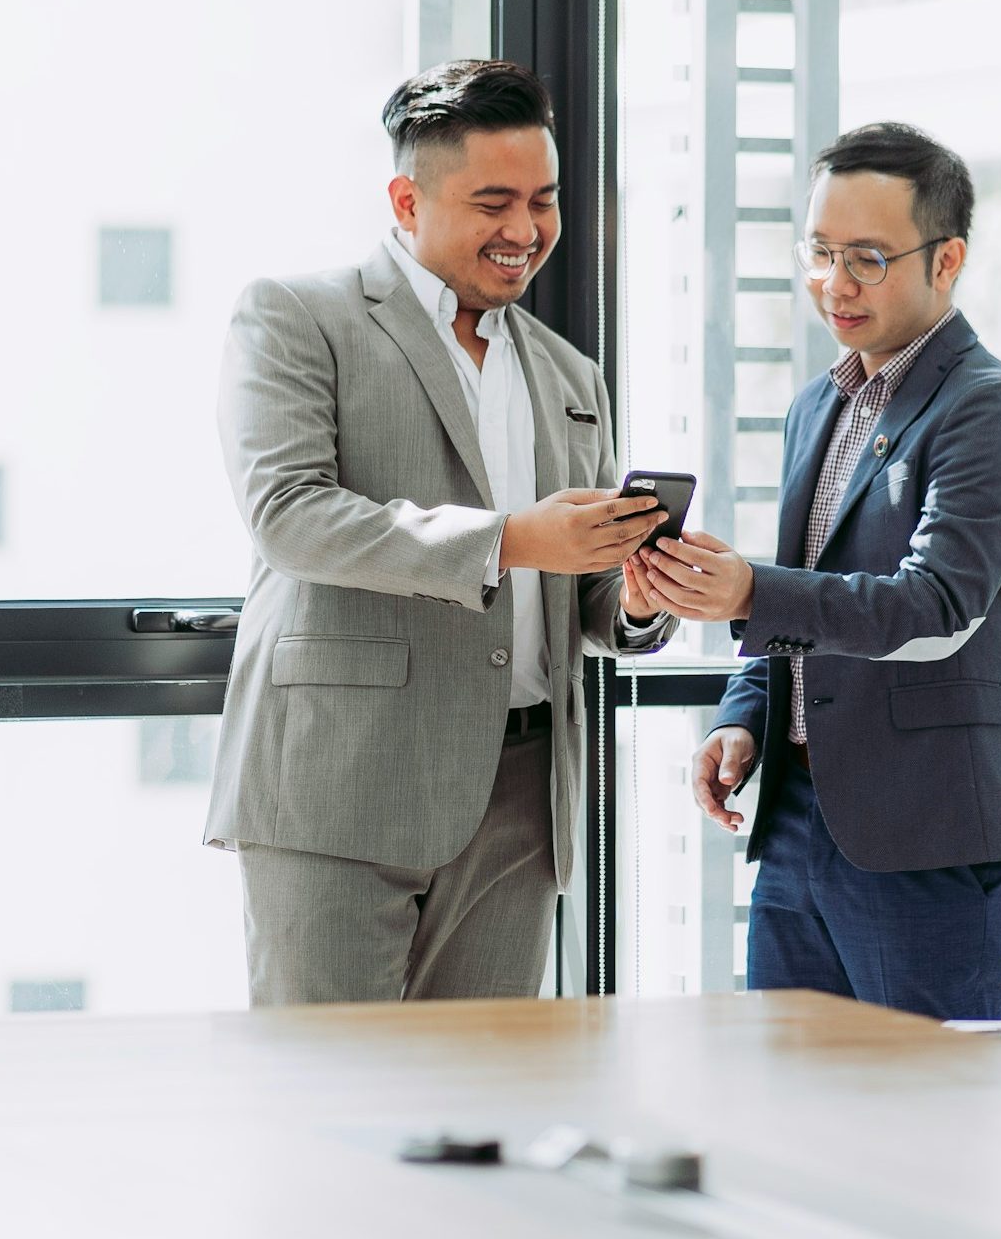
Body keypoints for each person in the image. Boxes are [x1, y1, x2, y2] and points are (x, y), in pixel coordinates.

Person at [205, 60, 676, 1006]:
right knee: (331, 1099)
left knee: (483, 1110)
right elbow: (290, 517)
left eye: (543, 201)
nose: (526, 230)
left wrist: (629, 597)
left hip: (525, 799)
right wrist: (506, 539)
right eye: (492, 201)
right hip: (343, 779)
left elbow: (570, 590)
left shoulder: (571, 375)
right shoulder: (299, 318)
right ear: (406, 200)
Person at [632, 122, 1001, 1020]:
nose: (834, 284)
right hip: (796, 824)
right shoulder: (819, 404)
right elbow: (806, 596)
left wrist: (747, 590)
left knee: (931, 1129)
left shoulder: (987, 409)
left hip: (925, 836)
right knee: (796, 1117)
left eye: (866, 257)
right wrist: (745, 717)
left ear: (947, 261)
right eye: (819, 253)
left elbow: (936, 607)